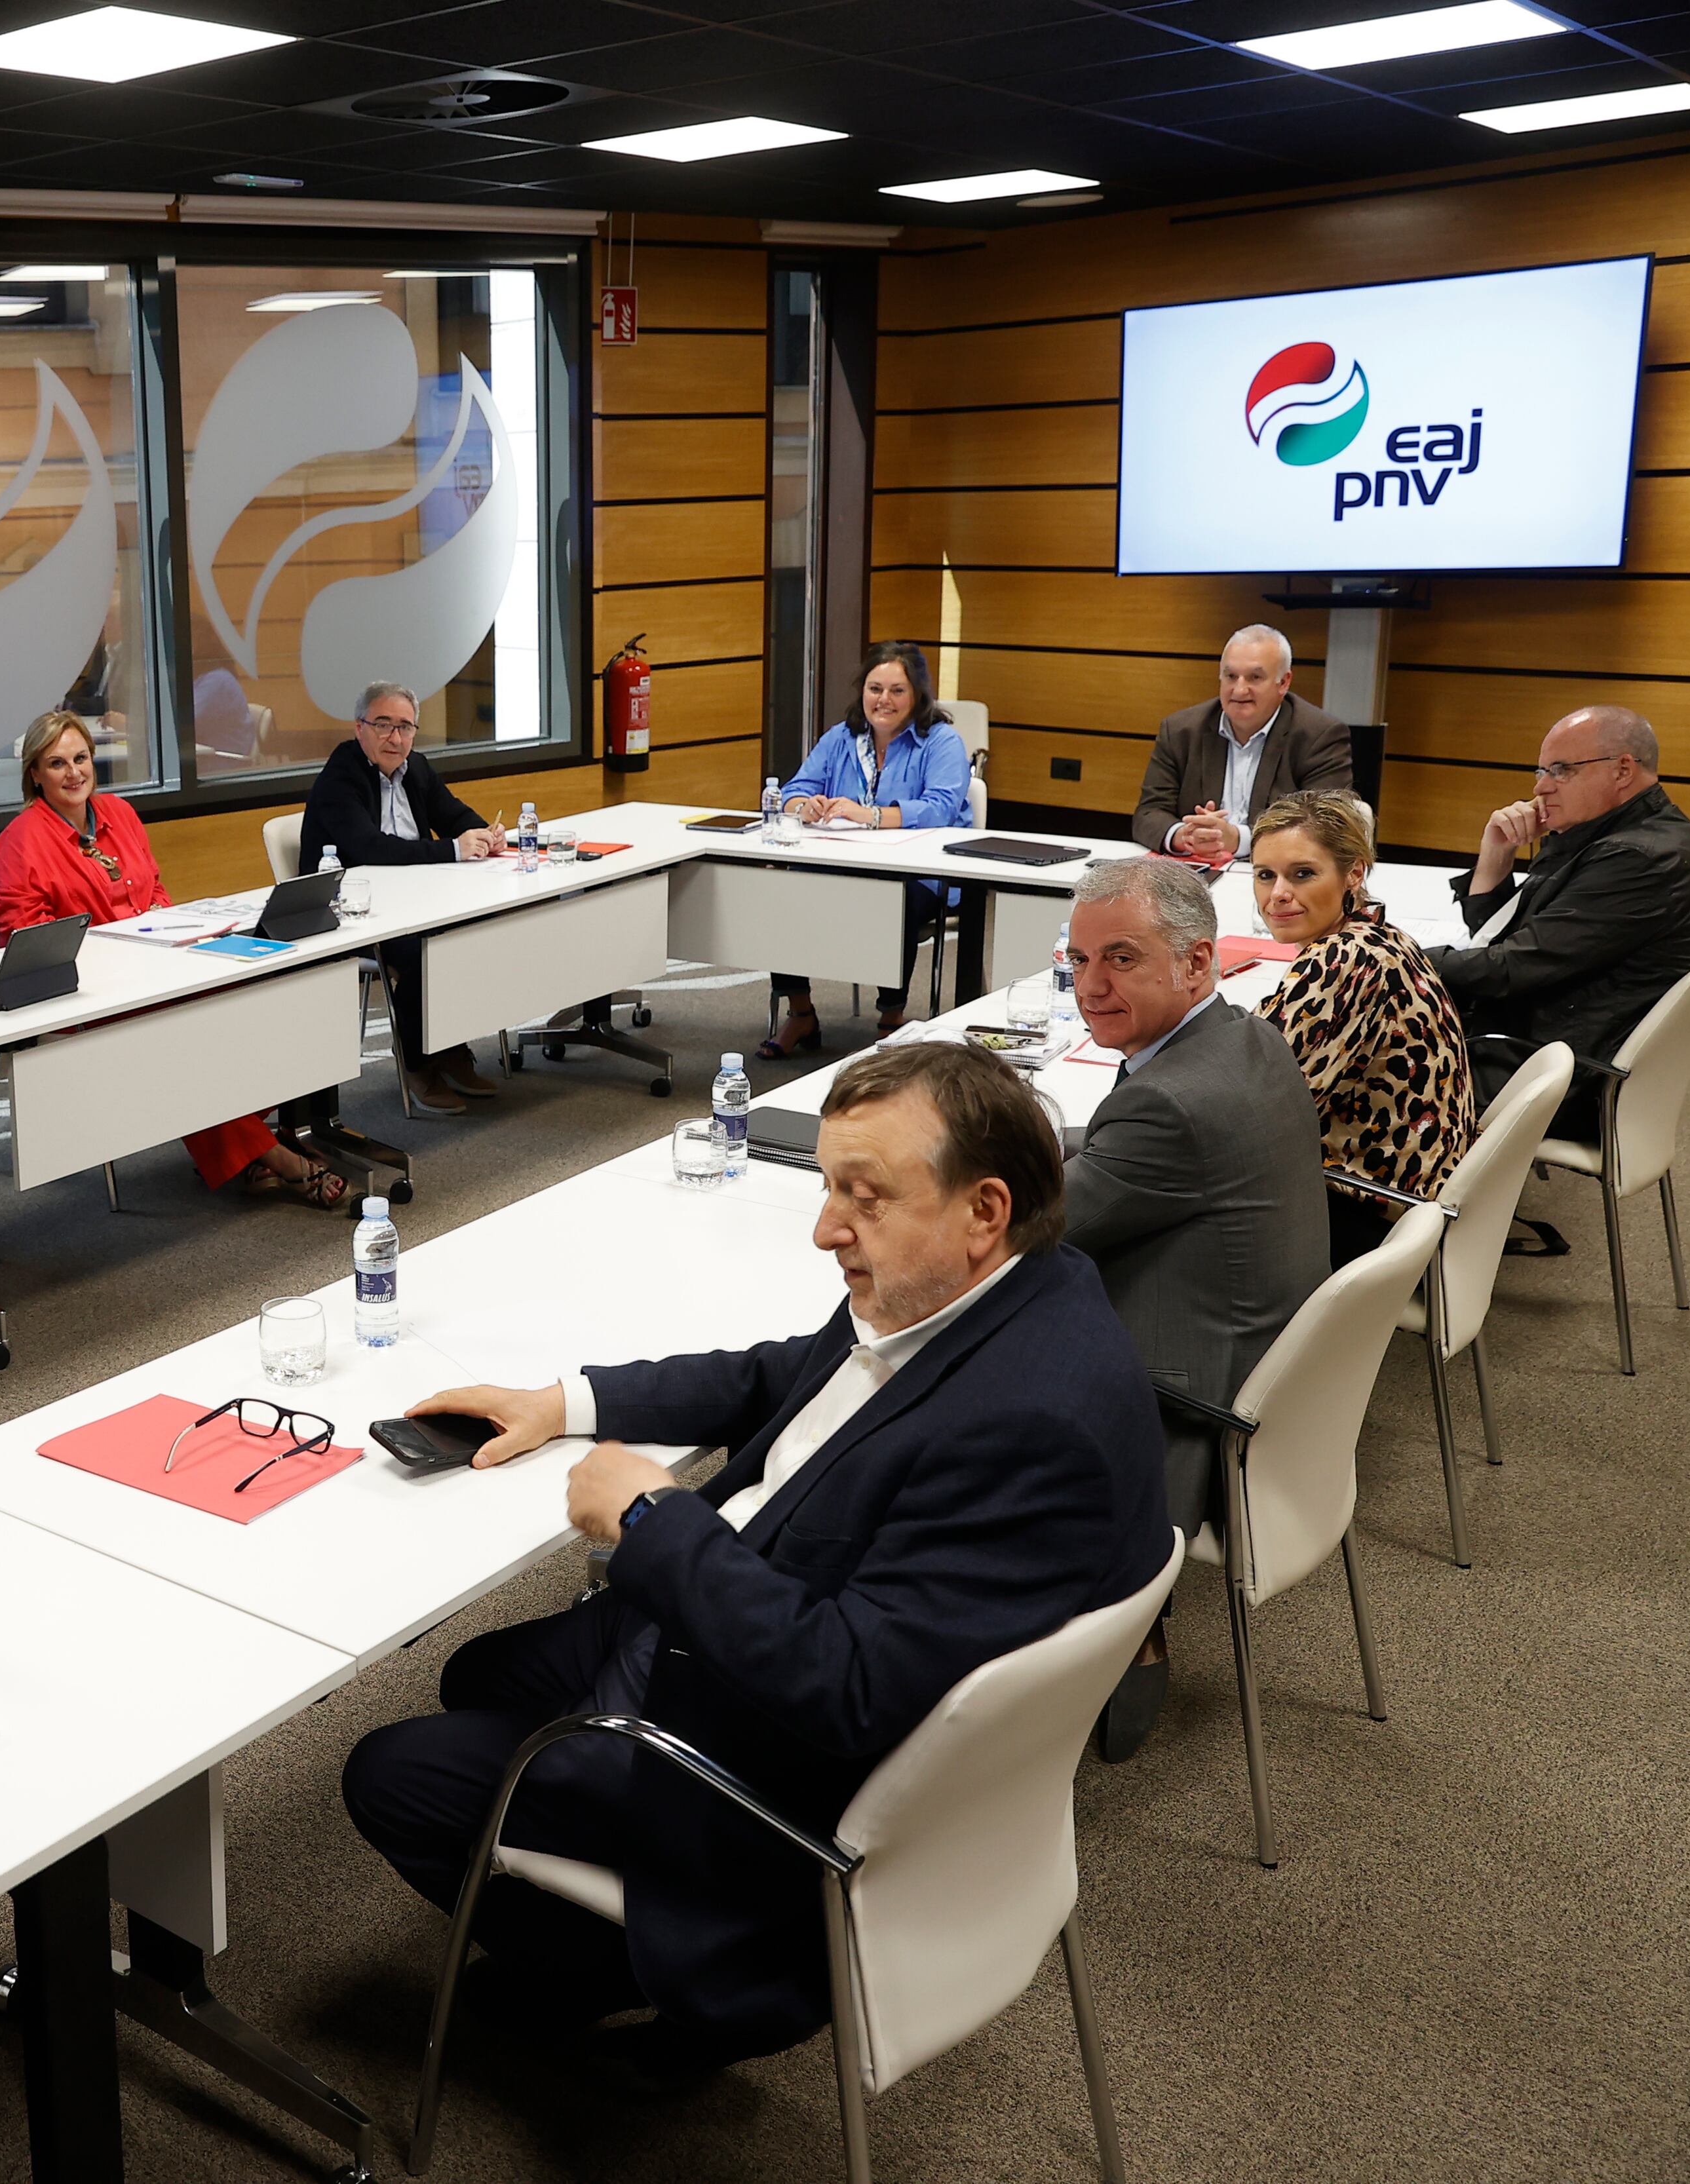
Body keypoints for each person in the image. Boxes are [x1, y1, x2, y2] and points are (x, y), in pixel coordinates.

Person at [341, 1044, 1166, 2084]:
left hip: (759, 1763)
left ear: (984, 1209)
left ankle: (605, 1968)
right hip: (753, 1600)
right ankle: (583, 1912)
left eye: (863, 1197)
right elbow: (784, 1373)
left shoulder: (1026, 1427)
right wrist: (568, 1403)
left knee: (388, 1773)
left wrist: (650, 1520)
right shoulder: (997, 1289)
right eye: (829, 1187)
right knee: (478, 1676)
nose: (828, 1229)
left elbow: (846, 1686)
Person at [1059, 857, 1326, 1758]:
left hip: (1182, 1404)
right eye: (1079, 960)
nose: (1092, 986)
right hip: (1262, 1368)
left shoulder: (1169, 1103)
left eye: (1121, 959)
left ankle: (1110, 1631)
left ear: (1197, 961)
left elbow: (1024, 1237)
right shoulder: (1249, 1038)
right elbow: (1128, 1166)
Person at [0, 714, 347, 1206]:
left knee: (257, 994)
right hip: (91, 997)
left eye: (81, 759)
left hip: (159, 968)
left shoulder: (119, 813)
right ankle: (278, 1158)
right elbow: (26, 941)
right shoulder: (21, 842)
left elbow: (153, 887)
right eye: (56, 763)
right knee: (183, 1037)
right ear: (35, 773)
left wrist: (166, 922)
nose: (73, 773)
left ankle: (249, 1147)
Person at [1435, 704, 1690, 1140]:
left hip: (1559, 1076)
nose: (1540, 786)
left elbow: (1510, 968)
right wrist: (1496, 851)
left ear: (1623, 769)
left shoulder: (1640, 861)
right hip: (1551, 1046)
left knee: (1356, 1073)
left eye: (1561, 770)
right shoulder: (1607, 835)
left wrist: (1393, 956)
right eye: (1541, 770)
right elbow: (1499, 936)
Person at [1246, 792, 1476, 1267]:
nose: (1278, 894)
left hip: (1370, 1213)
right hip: (1413, 1199)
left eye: (1302, 873)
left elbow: (1254, 1109)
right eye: (1265, 875)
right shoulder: (1381, 935)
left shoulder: (1342, 959)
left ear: (1354, 873)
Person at [297, 681, 504, 1113]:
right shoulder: (341, 776)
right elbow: (372, 851)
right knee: (426, 950)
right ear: (360, 728)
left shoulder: (418, 768)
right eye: (384, 725)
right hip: (356, 912)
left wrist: (487, 833)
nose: (396, 738)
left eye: (405, 727)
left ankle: (448, 1046)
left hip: (418, 898)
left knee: (478, 933)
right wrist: (452, 849)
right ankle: (416, 1060)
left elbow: (455, 814)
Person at [758, 641, 972, 1057]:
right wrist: (805, 807)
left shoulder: (941, 741)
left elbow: (940, 808)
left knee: (894, 900)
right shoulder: (841, 738)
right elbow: (794, 790)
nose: (884, 700)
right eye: (875, 689)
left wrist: (870, 815)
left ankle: (892, 1017)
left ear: (917, 695)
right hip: (842, 866)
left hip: (920, 876)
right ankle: (800, 1012)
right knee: (779, 895)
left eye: (897, 690)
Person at [1130, 626, 1353, 860]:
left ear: (1284, 682)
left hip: (1279, 876)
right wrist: (1184, 836)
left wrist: (1238, 839)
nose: (1239, 689)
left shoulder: (1319, 736)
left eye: (1255, 677)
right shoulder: (1180, 731)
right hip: (1196, 872)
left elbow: (1327, 827)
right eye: (1231, 676)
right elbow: (1148, 812)